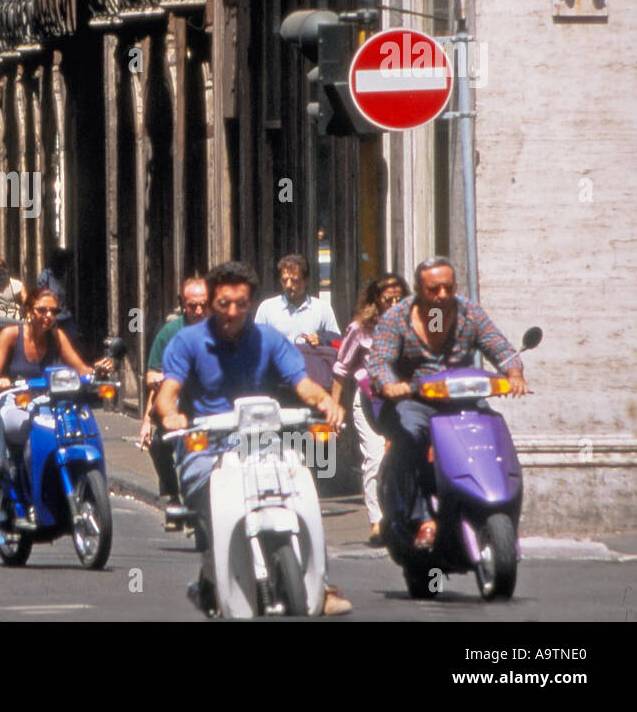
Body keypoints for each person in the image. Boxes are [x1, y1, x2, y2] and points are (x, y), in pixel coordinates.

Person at [156, 261, 349, 615]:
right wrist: (171, 414)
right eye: (224, 304)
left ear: (251, 304)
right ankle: (213, 573)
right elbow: (167, 392)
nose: (232, 312)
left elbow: (301, 382)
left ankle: (318, 582)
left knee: (300, 485)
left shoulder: (269, 339)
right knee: (205, 493)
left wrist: (325, 401)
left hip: (261, 440)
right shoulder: (187, 341)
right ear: (211, 302)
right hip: (208, 443)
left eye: (241, 304)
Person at [366, 257, 526, 551]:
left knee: (491, 433)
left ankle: (492, 504)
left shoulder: (469, 313)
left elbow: (498, 345)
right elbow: (380, 361)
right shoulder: (396, 318)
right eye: (433, 289)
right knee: (413, 436)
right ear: (417, 289)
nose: (442, 295)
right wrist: (390, 384)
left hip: (461, 401)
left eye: (448, 288)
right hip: (413, 401)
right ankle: (422, 518)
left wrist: (514, 373)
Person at [0, 287, 114, 514]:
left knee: (71, 429)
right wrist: (0, 382)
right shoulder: (11, 335)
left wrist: (97, 372)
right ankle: (25, 493)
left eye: (53, 311)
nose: (48, 316)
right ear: (28, 310)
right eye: (41, 310)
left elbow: (81, 367)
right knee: (27, 436)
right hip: (17, 401)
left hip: (48, 403)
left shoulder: (57, 335)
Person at [330, 273, 408, 546]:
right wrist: (333, 405)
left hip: (402, 402)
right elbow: (341, 369)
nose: (395, 303)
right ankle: (377, 522)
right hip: (367, 402)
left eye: (400, 297)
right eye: (389, 298)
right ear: (376, 300)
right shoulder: (359, 329)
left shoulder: (412, 326)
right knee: (375, 459)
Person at [139, 276, 210, 507]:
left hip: (212, 408)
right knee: (159, 443)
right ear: (182, 304)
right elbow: (152, 375)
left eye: (203, 305)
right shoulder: (170, 333)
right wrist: (159, 382)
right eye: (192, 306)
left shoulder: (221, 330)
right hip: (179, 407)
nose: (198, 311)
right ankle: (171, 494)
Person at [254, 253, 341, 346]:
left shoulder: (322, 309)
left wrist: (321, 340)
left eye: (294, 280)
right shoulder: (267, 308)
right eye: (284, 280)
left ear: (305, 280)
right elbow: (255, 343)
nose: (288, 285)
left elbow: (337, 342)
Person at [36, 248, 77, 340]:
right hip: (53, 317)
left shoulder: (65, 276)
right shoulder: (45, 276)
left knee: (73, 338)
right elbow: (41, 296)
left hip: (65, 315)